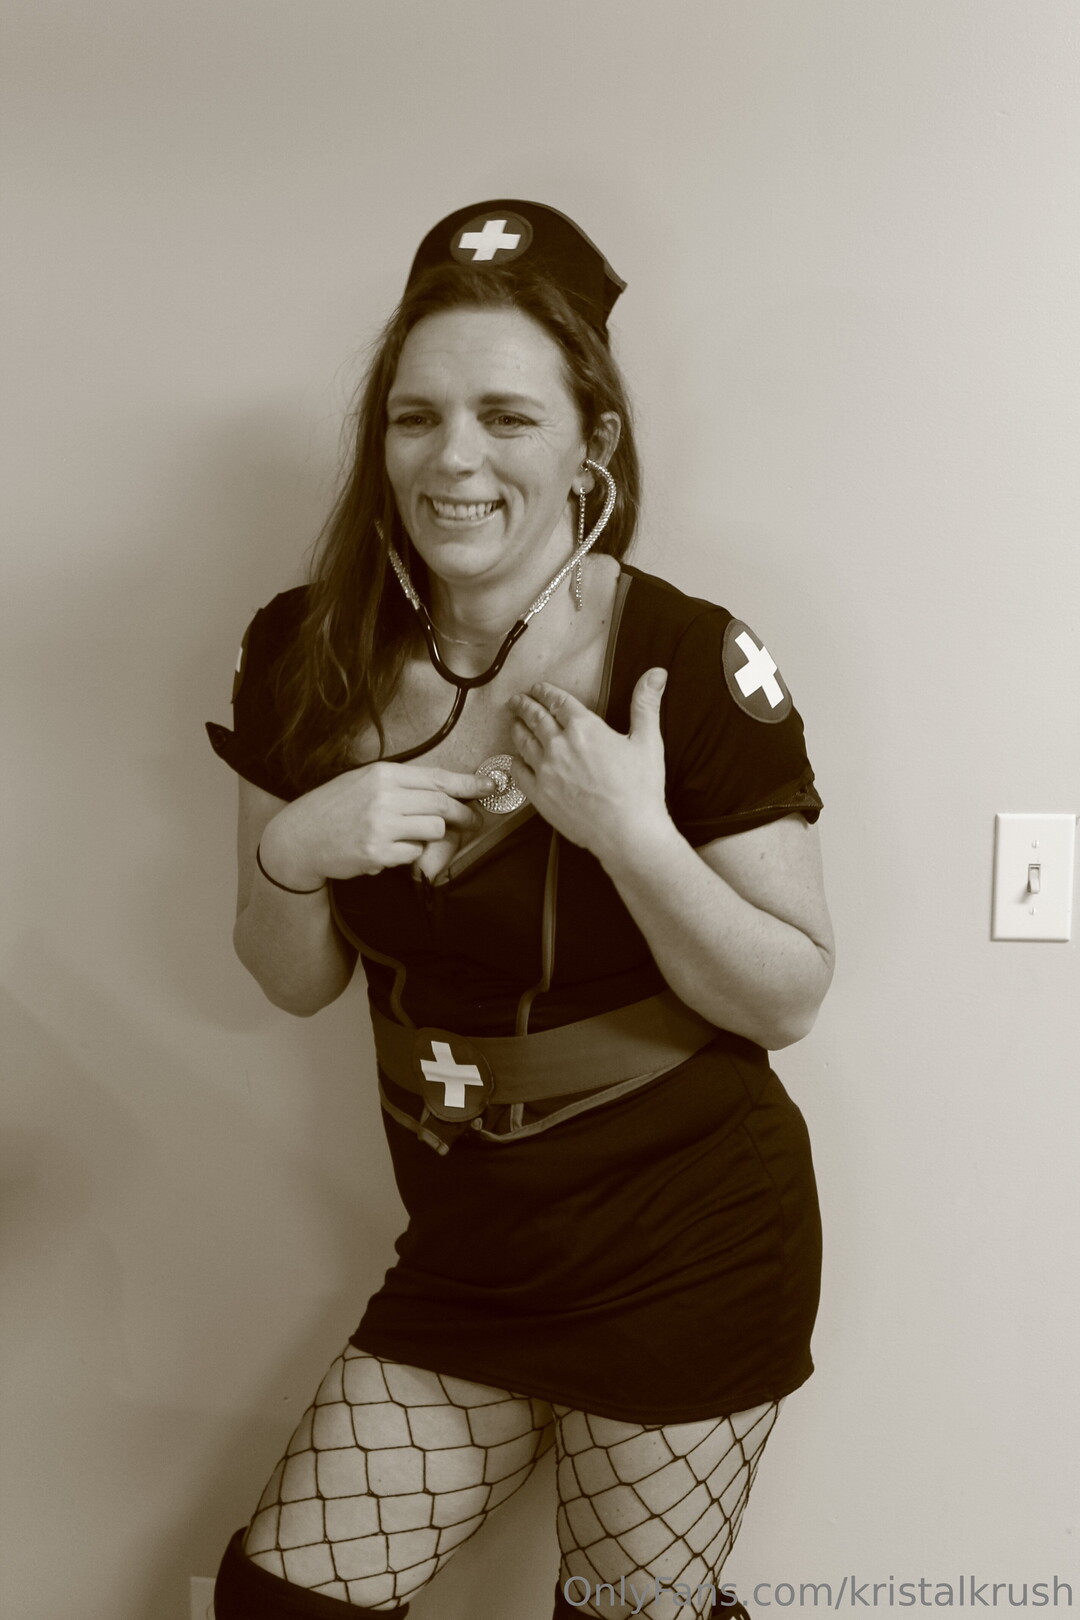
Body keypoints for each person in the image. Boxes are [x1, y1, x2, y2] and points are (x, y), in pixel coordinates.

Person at [206, 200, 834, 1620]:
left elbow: (789, 993)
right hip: (471, 1247)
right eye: (416, 416)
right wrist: (294, 850)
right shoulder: (301, 650)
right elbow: (293, 980)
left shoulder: (687, 656)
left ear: (590, 445)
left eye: (507, 415)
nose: (455, 458)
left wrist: (631, 834)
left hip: (687, 1238)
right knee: (278, 1601)